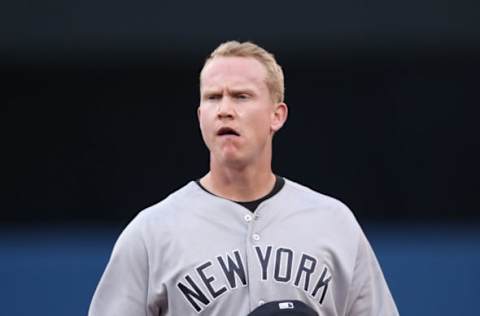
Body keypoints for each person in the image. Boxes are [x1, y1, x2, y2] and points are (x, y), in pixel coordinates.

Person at [89, 41, 399, 316]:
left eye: (241, 96)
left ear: (276, 115)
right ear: (200, 117)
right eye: (213, 97)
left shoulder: (334, 223)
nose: (224, 109)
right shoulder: (151, 234)